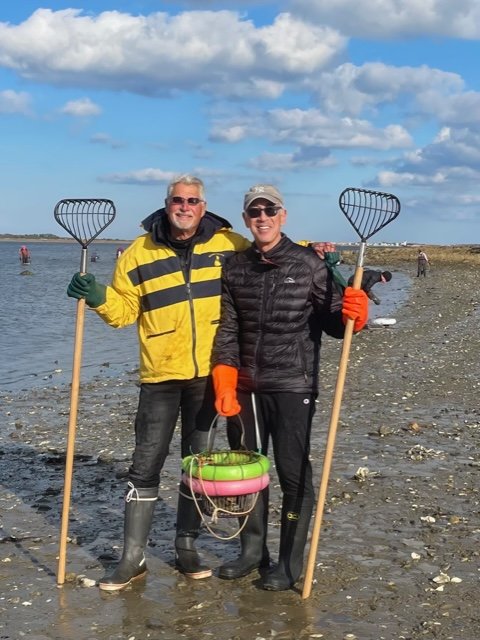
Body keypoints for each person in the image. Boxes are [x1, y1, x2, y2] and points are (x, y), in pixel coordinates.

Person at [66, 175, 332, 592]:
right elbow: (122, 312)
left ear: (203, 207)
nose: (184, 206)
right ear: (167, 204)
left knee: (199, 465)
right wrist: (98, 295)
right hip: (160, 373)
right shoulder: (138, 253)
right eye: (177, 200)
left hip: (211, 374)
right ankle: (132, 558)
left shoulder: (228, 245)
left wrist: (315, 255)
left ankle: (186, 546)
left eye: (192, 200)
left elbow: (274, 253)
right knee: (144, 465)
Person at [210, 184, 368, 591]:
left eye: (270, 210)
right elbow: (228, 329)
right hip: (245, 386)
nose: (262, 217)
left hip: (293, 383)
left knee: (292, 472)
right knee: (249, 471)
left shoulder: (310, 265)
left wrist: (355, 309)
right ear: (246, 219)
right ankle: (251, 551)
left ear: (283, 216)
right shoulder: (235, 267)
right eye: (254, 211)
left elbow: (336, 325)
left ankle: (290, 562)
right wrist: (224, 381)